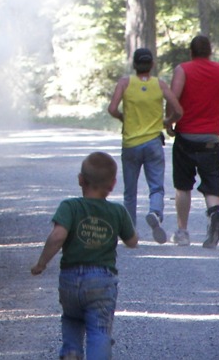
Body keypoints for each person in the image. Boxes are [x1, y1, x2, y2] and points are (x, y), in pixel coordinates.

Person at [31, 152, 138, 360]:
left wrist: (41, 264)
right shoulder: (118, 211)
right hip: (102, 280)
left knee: (71, 318)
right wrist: (131, 233)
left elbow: (57, 236)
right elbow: (132, 242)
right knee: (99, 330)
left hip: (70, 279)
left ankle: (71, 351)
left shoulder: (70, 207)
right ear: (113, 184)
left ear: (81, 179)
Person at [167, 35, 219, 248]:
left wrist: (169, 122)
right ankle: (215, 216)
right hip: (211, 139)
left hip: (185, 137)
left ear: (191, 52)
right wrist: (217, 95)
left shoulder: (183, 70)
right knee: (212, 181)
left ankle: (182, 232)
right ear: (210, 52)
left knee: (183, 186)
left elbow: (173, 99)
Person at [108, 48, 183, 244]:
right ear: (152, 65)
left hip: (131, 144)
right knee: (156, 186)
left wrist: (123, 118)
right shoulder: (159, 84)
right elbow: (178, 110)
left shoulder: (125, 83)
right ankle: (155, 213)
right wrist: (167, 122)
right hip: (153, 143)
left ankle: (130, 232)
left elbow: (112, 109)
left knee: (129, 191)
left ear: (134, 65)